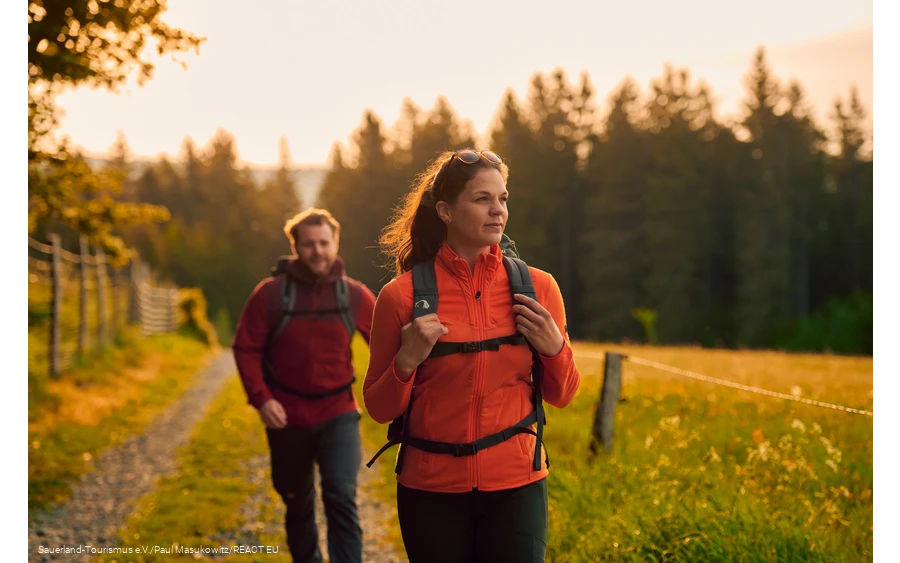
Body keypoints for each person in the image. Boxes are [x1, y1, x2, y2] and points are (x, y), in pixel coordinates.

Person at [362, 149, 581, 562]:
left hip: (517, 483)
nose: (498, 210)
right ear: (445, 211)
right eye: (482, 199)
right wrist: (406, 361)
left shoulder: (539, 288)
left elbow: (563, 395)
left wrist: (555, 348)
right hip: (431, 491)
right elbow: (378, 408)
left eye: (503, 198)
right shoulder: (400, 297)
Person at [232, 207, 376, 563]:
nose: (318, 251)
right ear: (295, 247)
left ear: (336, 242)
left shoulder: (354, 295)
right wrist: (262, 399)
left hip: (339, 413)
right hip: (287, 415)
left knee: (341, 496)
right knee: (297, 502)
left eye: (324, 243)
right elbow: (245, 348)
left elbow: (387, 345)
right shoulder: (269, 294)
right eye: (309, 244)